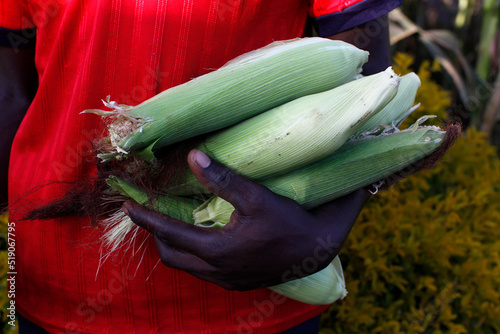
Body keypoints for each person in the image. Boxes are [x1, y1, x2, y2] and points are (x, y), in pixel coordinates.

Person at [0, 1, 401, 333]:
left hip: (249, 291)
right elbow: (10, 90)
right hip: (53, 275)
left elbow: (367, 84)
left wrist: (322, 235)